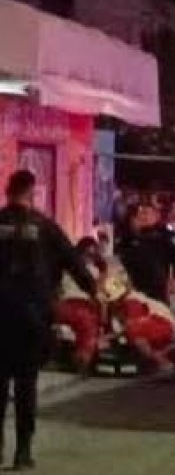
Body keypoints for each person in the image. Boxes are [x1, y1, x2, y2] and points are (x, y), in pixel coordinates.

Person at [0, 170, 96, 469]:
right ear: (31, 192)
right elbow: (74, 261)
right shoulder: (45, 226)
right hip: (32, 316)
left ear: (8, 191)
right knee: (26, 384)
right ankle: (23, 452)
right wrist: (93, 291)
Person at [101, 277, 175, 372]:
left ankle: (161, 361)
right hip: (160, 324)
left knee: (134, 333)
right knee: (131, 334)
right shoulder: (127, 301)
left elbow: (133, 326)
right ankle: (165, 352)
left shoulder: (131, 302)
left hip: (163, 323)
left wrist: (110, 337)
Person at [54, 237, 105, 373]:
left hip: (62, 306)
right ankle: (82, 362)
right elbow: (99, 293)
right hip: (80, 308)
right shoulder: (92, 271)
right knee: (89, 328)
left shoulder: (65, 268)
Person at [118, 204, 175, 304]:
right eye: (142, 214)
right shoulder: (131, 239)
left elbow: (174, 256)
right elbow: (124, 258)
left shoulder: (163, 236)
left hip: (158, 285)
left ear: (155, 217)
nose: (144, 217)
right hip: (138, 285)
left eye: (148, 214)